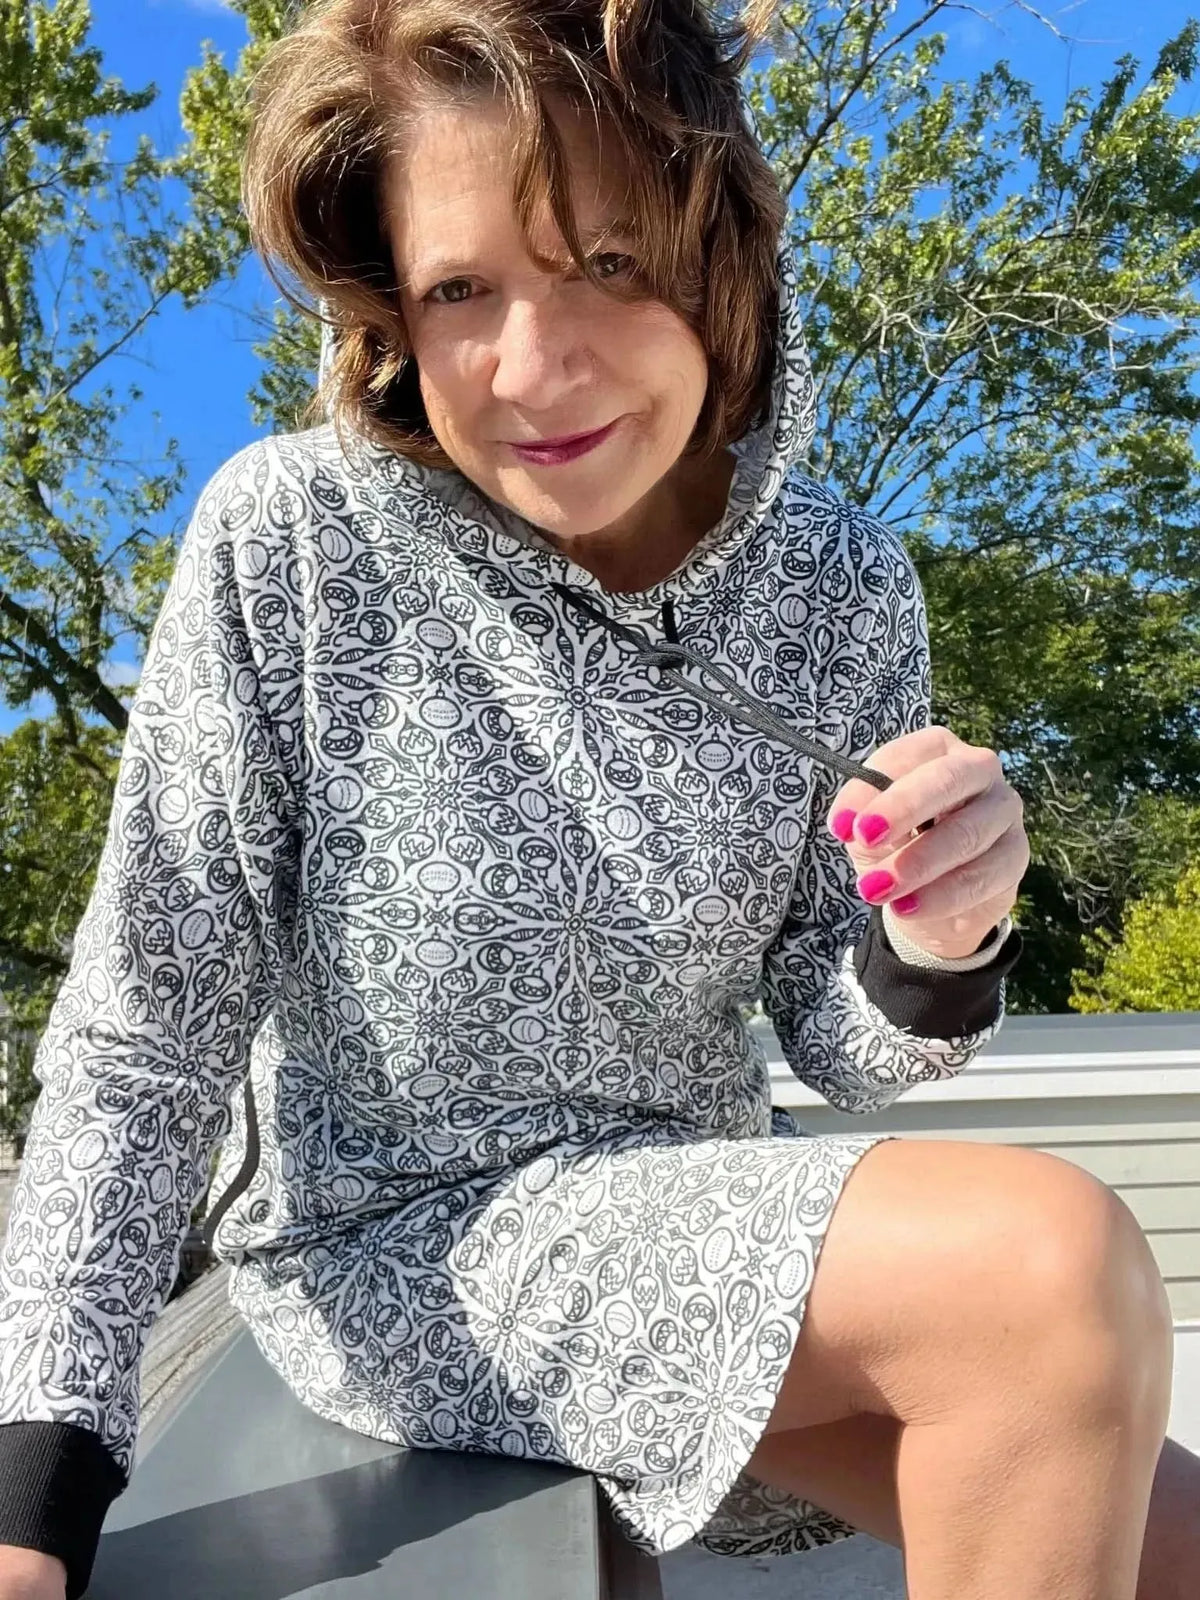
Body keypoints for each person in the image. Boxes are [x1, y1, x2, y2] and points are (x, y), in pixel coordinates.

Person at [0, 2, 1180, 1598]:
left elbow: (845, 1046)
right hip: (409, 1245)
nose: (532, 367)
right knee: (1044, 1275)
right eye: (461, 290)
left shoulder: (841, 588)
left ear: (719, 264)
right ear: (389, 316)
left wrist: (938, 937)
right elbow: (145, 1035)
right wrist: (33, 1497)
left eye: (609, 265)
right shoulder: (289, 542)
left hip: (707, 1216)